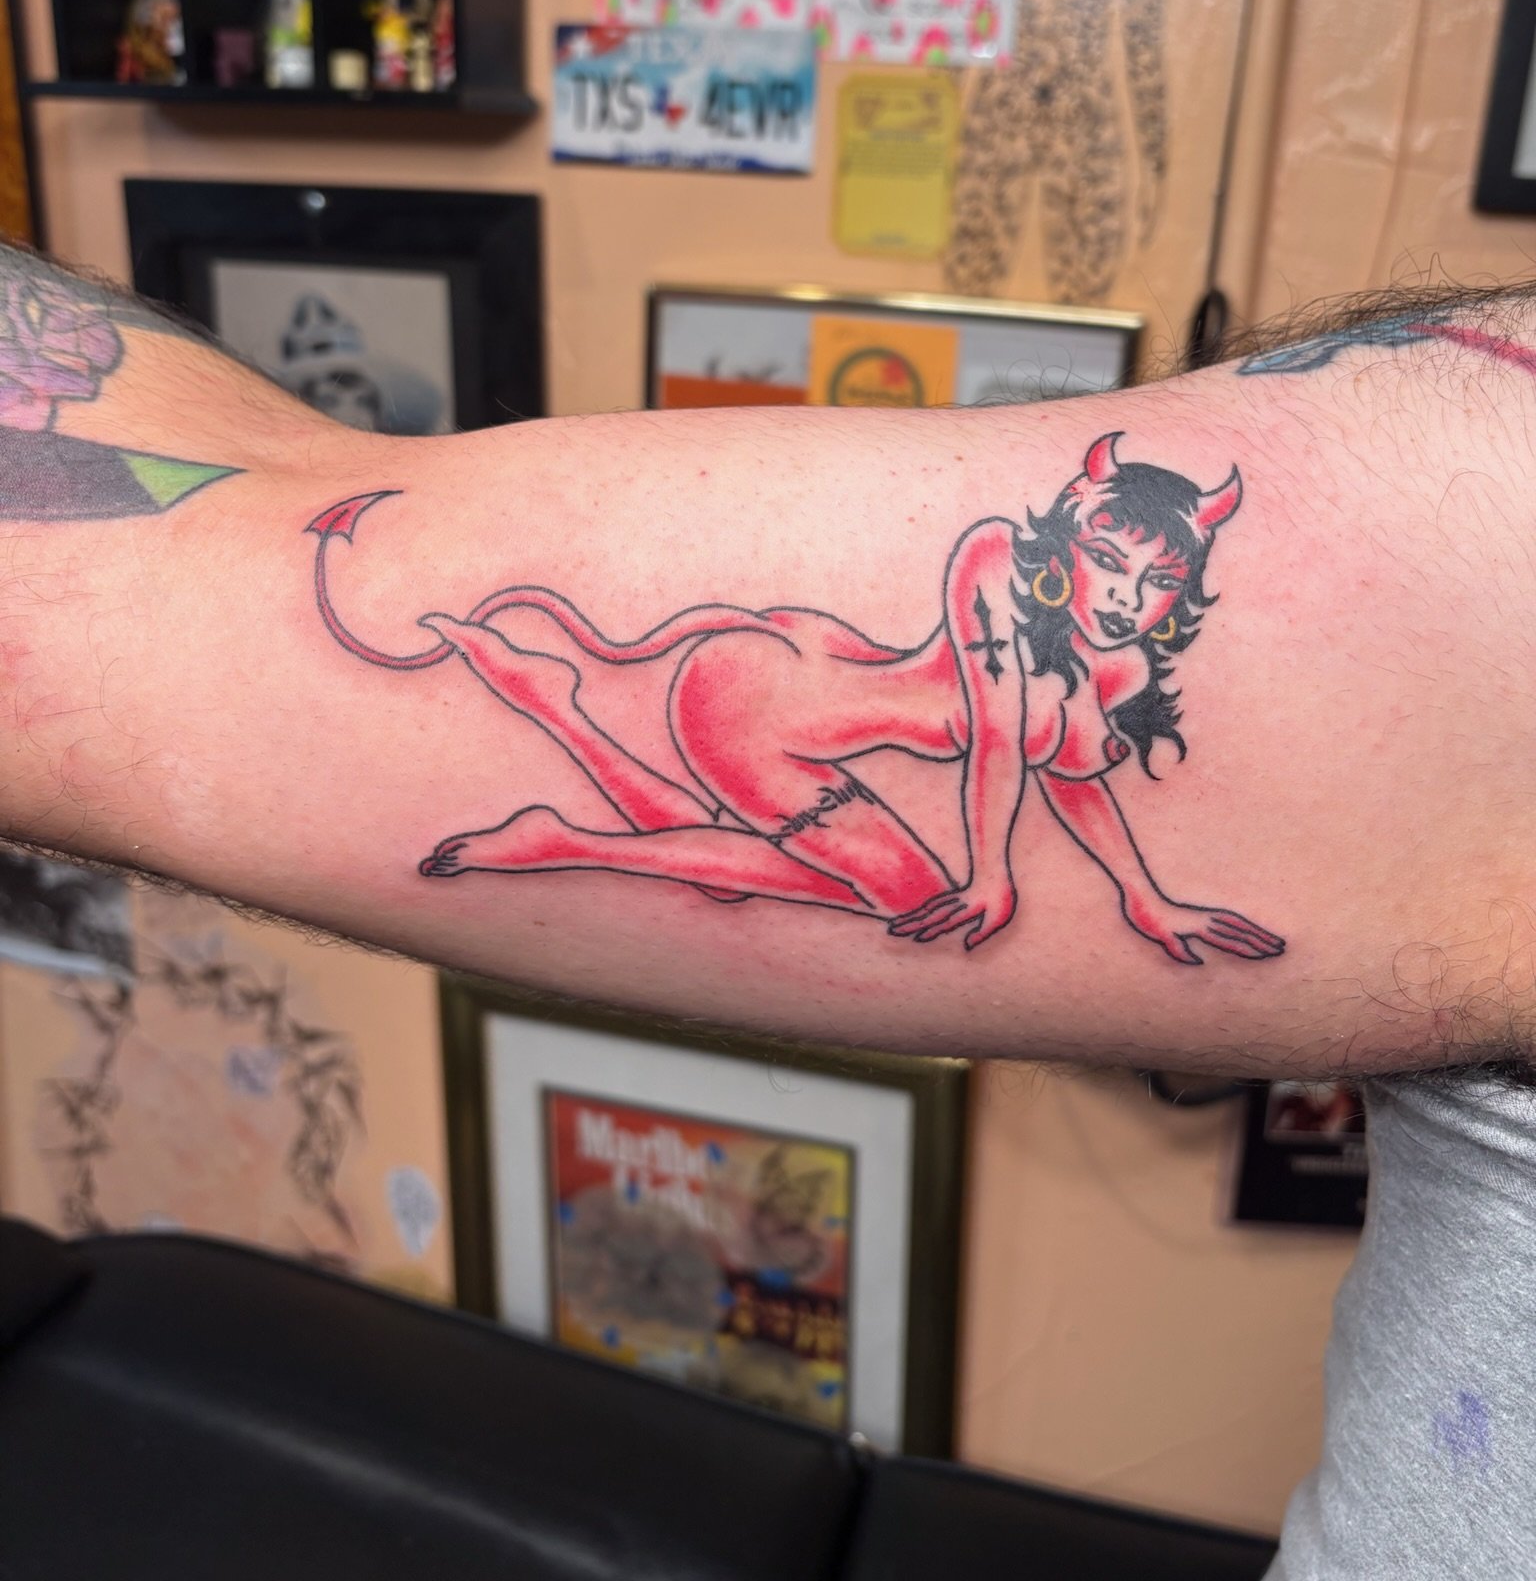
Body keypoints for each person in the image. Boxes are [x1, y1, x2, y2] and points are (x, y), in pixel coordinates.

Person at [1, 242, 1534, 1579]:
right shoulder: (1011, 568)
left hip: (781, 705)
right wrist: (990, 879)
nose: (1132, 588)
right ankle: (550, 768)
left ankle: (549, 763)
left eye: (1159, 575)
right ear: (1081, 535)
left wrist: (1155, 897)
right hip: (768, 703)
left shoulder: (1113, 658)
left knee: (798, 858)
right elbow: (184, 595)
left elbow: (1070, 785)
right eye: (1117, 559)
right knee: (861, 876)